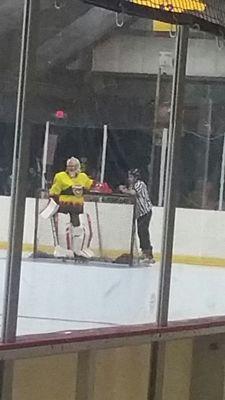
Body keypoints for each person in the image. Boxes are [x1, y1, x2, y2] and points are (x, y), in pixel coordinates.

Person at [49, 157, 94, 258]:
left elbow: (91, 186)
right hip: (63, 207)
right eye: (69, 166)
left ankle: (77, 250)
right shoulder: (60, 176)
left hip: (77, 208)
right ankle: (63, 250)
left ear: (78, 167)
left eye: (73, 166)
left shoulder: (83, 177)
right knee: (63, 229)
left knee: (78, 228)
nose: (71, 168)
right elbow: (53, 191)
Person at [119, 168, 155, 264]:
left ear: (136, 177)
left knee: (143, 232)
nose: (129, 178)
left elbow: (133, 193)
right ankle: (145, 252)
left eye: (131, 176)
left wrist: (124, 190)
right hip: (140, 213)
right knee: (141, 232)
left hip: (145, 211)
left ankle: (148, 254)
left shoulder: (140, 184)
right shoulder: (133, 185)